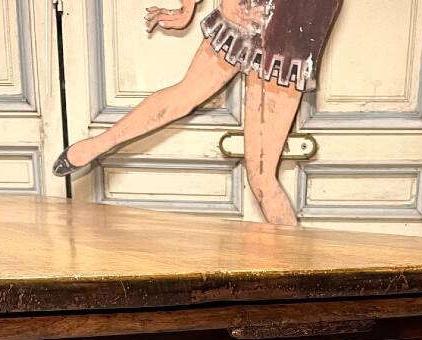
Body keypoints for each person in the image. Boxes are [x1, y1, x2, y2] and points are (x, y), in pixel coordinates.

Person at [53, 0, 343, 226]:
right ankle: (96, 145)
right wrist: (187, 8)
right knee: (187, 95)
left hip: (295, 21)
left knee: (262, 176)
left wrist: (187, 9)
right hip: (263, 11)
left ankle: (298, 282)